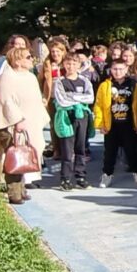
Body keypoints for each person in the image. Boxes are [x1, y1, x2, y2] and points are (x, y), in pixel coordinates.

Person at [0, 47, 48, 204]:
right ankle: (14, 193)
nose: (31, 60)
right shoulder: (7, 77)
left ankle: (22, 189)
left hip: (31, 124)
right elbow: (6, 101)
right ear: (17, 60)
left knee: (25, 156)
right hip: (11, 125)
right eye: (28, 57)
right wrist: (17, 120)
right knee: (13, 157)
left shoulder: (30, 77)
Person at [93, 58, 137, 188]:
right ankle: (107, 174)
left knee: (132, 151)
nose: (118, 72)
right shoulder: (105, 86)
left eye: (121, 69)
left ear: (127, 69)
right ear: (111, 70)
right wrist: (100, 124)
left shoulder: (134, 85)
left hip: (129, 124)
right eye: (115, 69)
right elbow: (99, 106)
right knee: (109, 152)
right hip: (112, 124)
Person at [53, 54, 95, 190]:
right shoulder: (60, 82)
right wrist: (78, 99)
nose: (71, 67)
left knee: (80, 148)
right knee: (67, 149)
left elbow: (89, 98)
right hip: (66, 117)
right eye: (68, 64)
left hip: (82, 116)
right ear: (64, 65)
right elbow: (62, 100)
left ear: (79, 65)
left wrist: (72, 96)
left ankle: (80, 176)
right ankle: (65, 178)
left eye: (74, 64)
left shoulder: (84, 81)